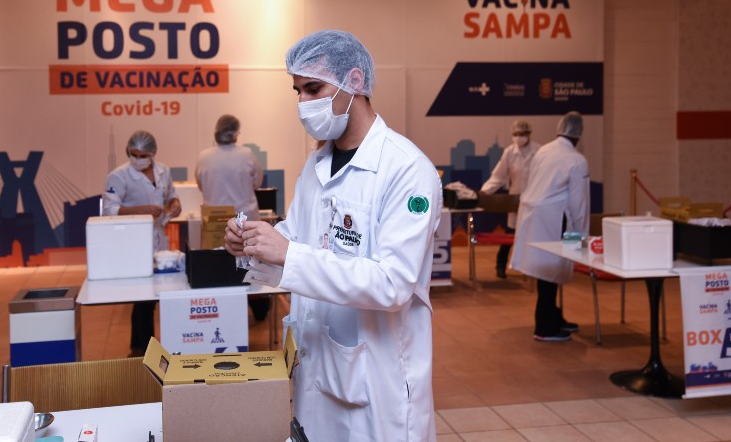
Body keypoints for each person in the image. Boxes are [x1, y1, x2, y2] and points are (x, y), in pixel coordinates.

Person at [224, 30, 442, 441]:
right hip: (317, 369)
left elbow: (393, 285)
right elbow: (297, 236)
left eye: (313, 88)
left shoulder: (406, 170)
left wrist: (288, 255)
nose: (303, 103)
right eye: (297, 91)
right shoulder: (317, 164)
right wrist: (252, 244)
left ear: (354, 82)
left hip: (377, 386)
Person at [510, 111, 590, 342]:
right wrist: (581, 238)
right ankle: (545, 326)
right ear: (578, 133)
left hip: (535, 216)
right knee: (551, 271)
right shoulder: (576, 160)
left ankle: (554, 317)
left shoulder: (544, 150)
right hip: (556, 219)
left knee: (548, 272)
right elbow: (579, 203)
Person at [103, 130, 181, 356]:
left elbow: (170, 196)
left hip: (159, 239)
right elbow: (109, 209)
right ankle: (143, 349)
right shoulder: (119, 176)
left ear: (153, 154)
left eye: (143, 155)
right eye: (133, 154)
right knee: (144, 297)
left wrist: (175, 204)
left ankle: (144, 346)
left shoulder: (163, 171)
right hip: (134, 242)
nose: (137, 159)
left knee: (157, 295)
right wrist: (142, 211)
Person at [195, 114, 269, 321]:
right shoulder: (247, 154)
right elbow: (257, 181)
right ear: (236, 133)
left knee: (219, 268)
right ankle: (260, 311)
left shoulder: (204, 156)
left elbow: (200, 184)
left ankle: (224, 315)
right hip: (244, 220)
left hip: (215, 224)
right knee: (249, 268)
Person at [479, 119, 540, 278]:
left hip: (534, 200)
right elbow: (498, 176)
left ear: (529, 134)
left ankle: (533, 269)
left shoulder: (539, 151)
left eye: (522, 134)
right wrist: (485, 191)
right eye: (515, 134)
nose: (518, 137)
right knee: (510, 233)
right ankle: (501, 266)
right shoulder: (510, 152)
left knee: (533, 237)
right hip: (515, 200)